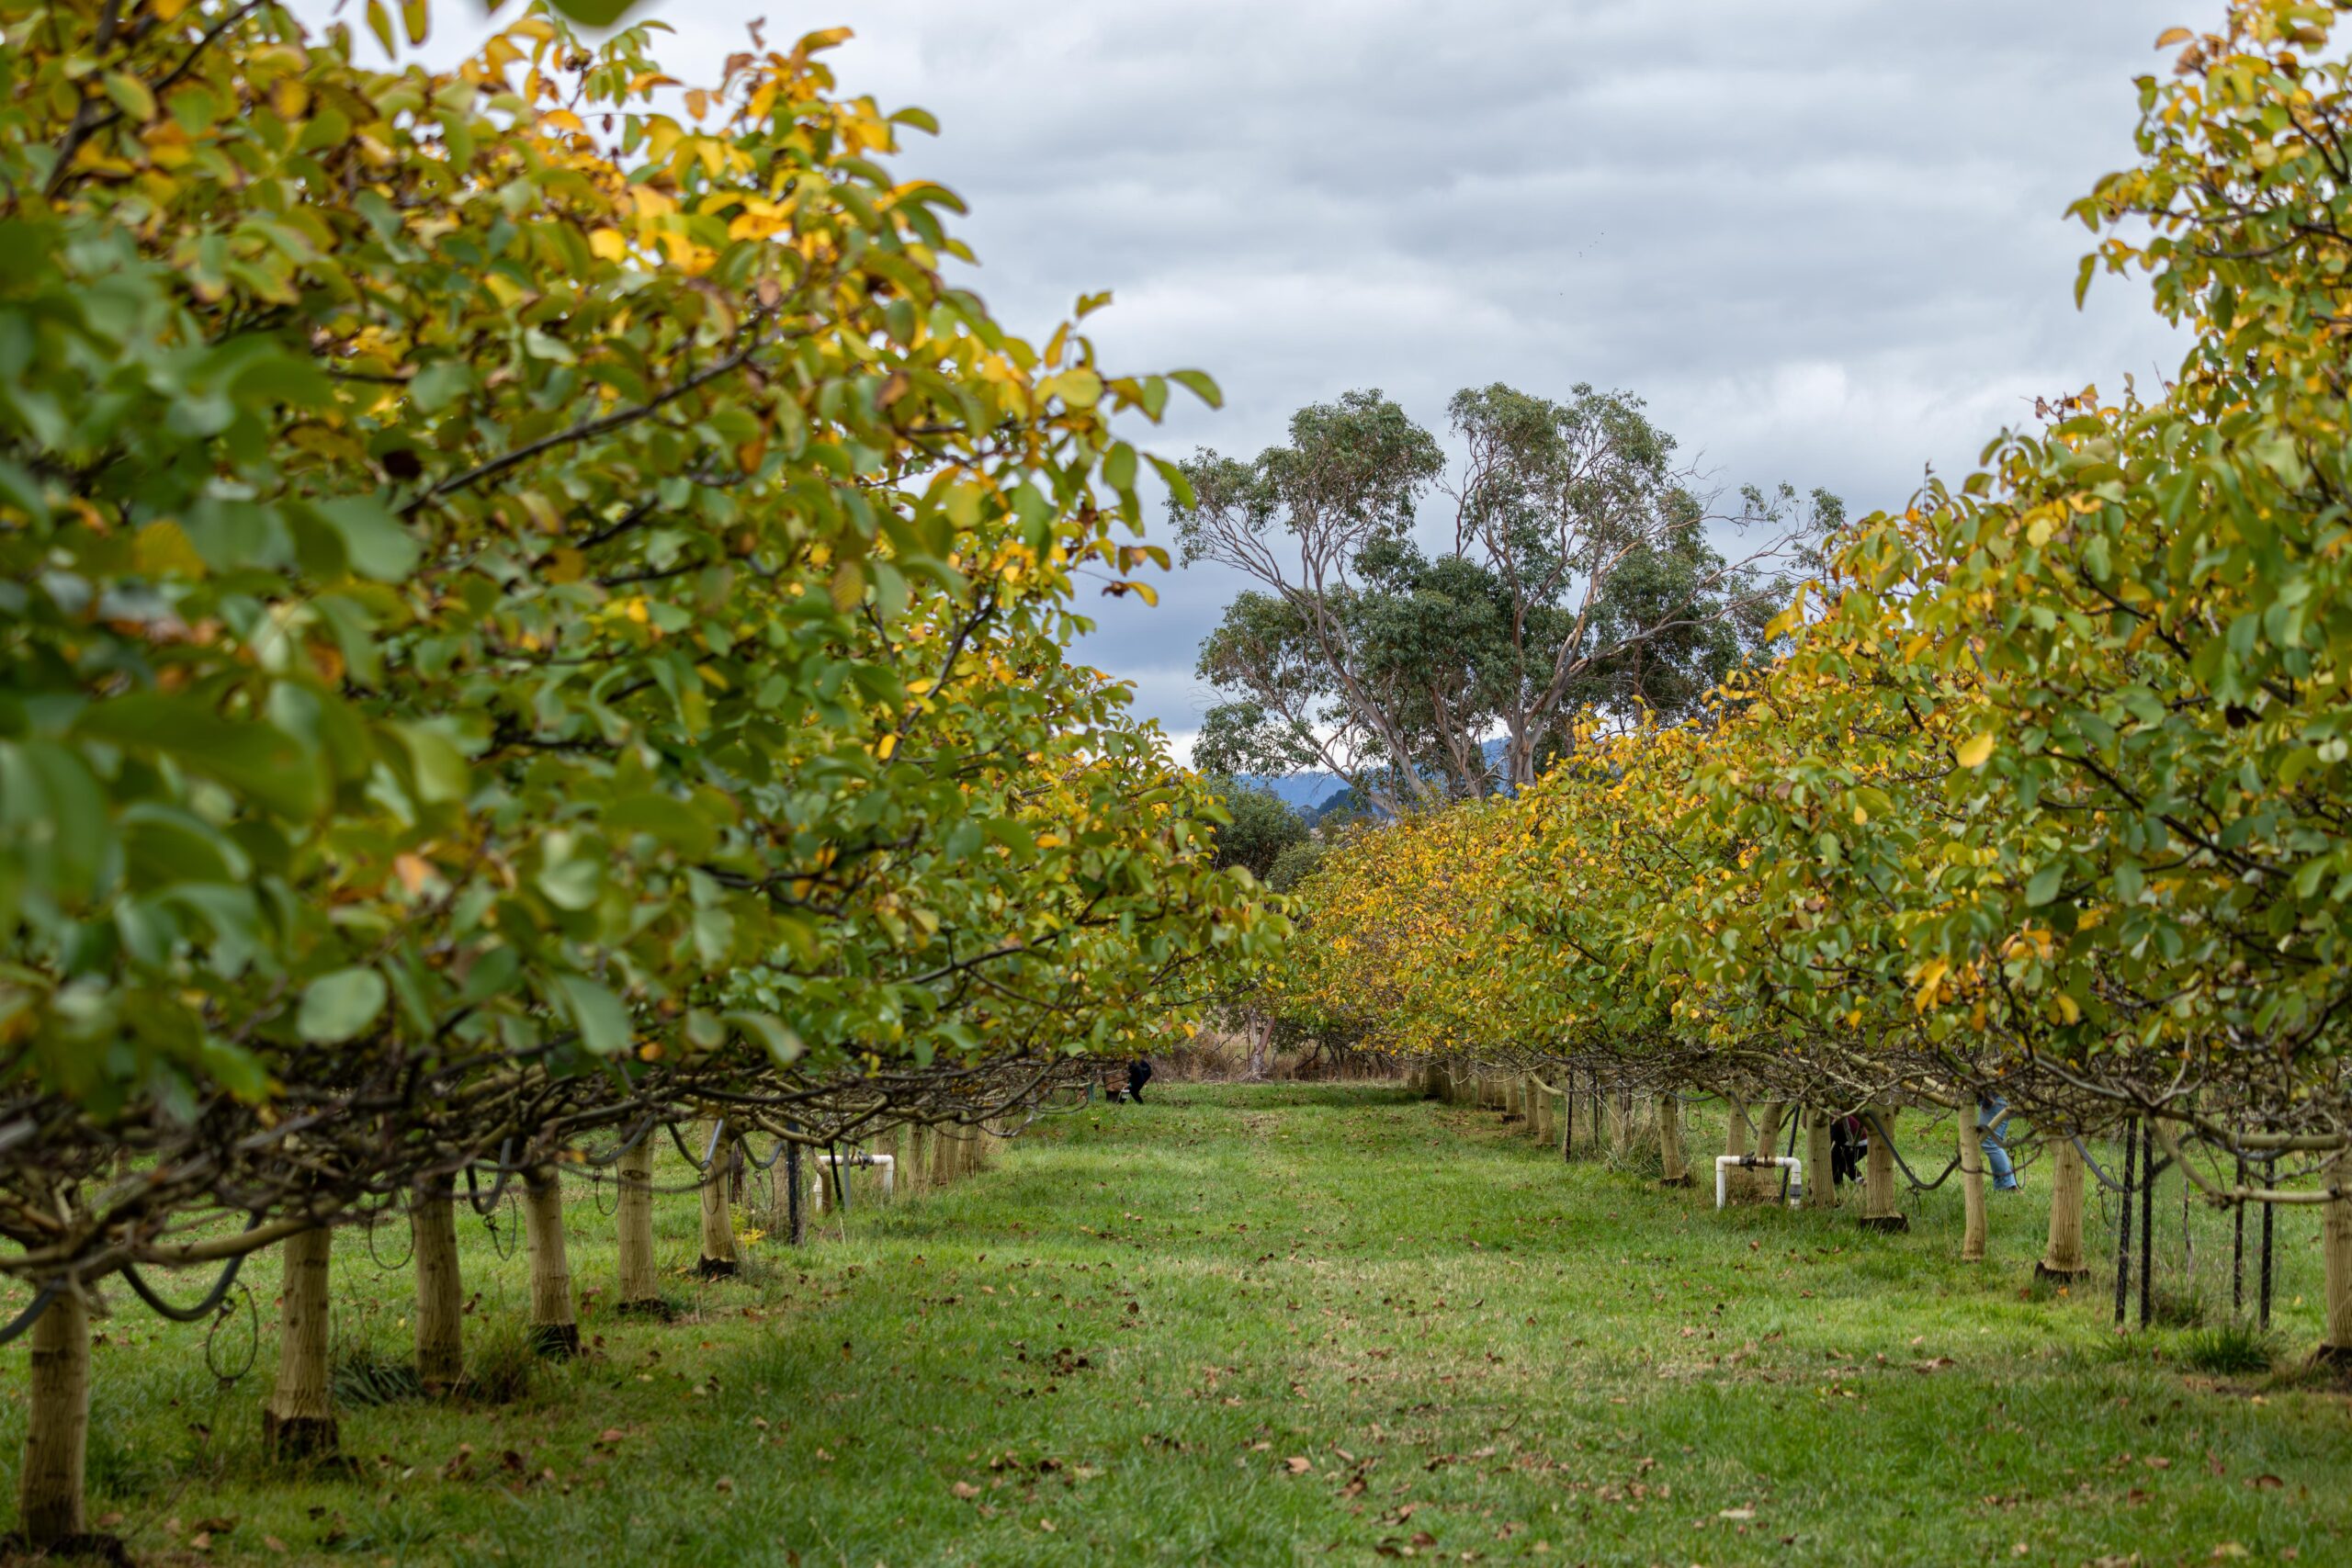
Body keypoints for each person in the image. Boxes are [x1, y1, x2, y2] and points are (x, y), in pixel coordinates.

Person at [1978, 1092, 2019, 1192]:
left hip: (1995, 1099)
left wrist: (1988, 1100)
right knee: (1993, 1143)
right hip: (1998, 1099)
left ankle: (2010, 1185)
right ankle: (2001, 1185)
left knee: (1989, 1142)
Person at [1829, 1112, 1866, 1187]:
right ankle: (1859, 1180)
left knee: (1835, 1160)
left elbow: (1833, 1143)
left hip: (1859, 1142)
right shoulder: (1832, 1114)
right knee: (1842, 1161)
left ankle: (1837, 1184)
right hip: (1860, 1141)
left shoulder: (1832, 1121)